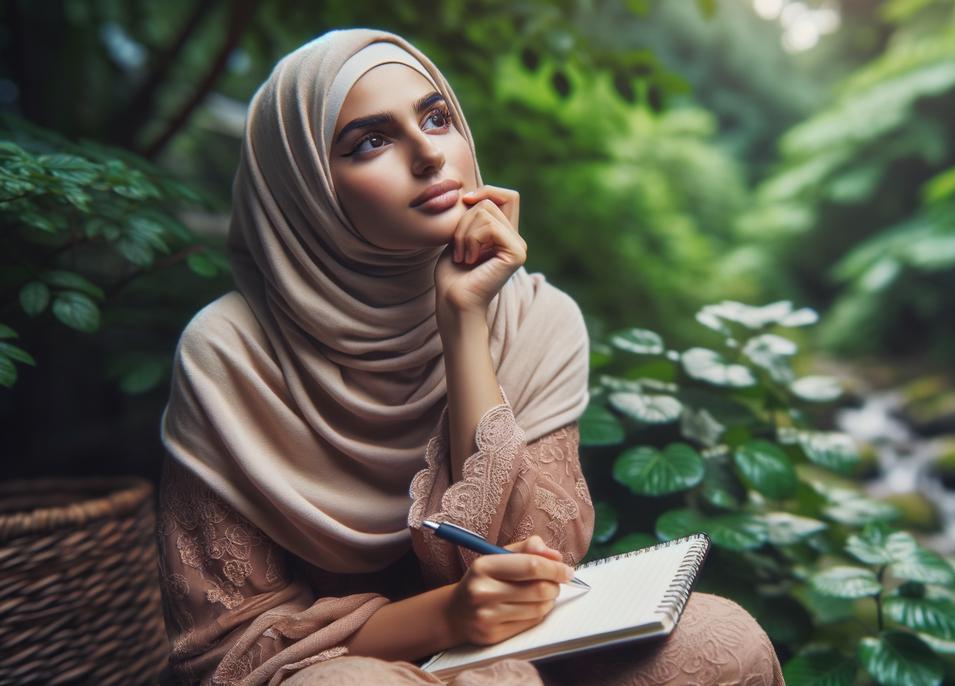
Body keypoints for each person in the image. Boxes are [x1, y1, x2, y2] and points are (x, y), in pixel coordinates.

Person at [154, 27, 784, 685]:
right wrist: (446, 616)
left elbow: (539, 561)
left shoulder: (536, 319)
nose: (429, 154)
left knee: (723, 642)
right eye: (371, 141)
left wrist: (463, 322)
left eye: (436, 117)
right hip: (345, 665)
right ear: (305, 188)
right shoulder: (229, 351)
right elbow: (223, 645)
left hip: (526, 648)